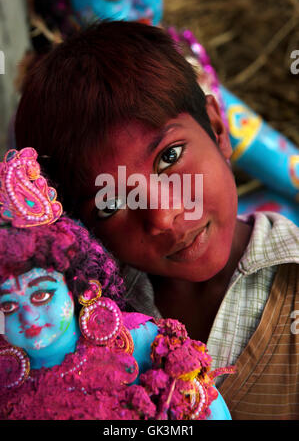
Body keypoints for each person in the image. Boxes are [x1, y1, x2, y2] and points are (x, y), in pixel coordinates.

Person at [15, 21, 299, 420]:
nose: (163, 217)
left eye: (169, 157)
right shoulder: (73, 327)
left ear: (218, 131)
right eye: (111, 204)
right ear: (82, 226)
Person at [17, 0, 299, 225]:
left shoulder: (176, 63)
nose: (145, 2)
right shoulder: (60, 113)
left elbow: (264, 148)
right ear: (61, 8)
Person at [0, 146, 233, 420]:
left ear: (77, 285)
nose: (28, 316)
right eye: (8, 306)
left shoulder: (141, 341)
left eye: (42, 295)